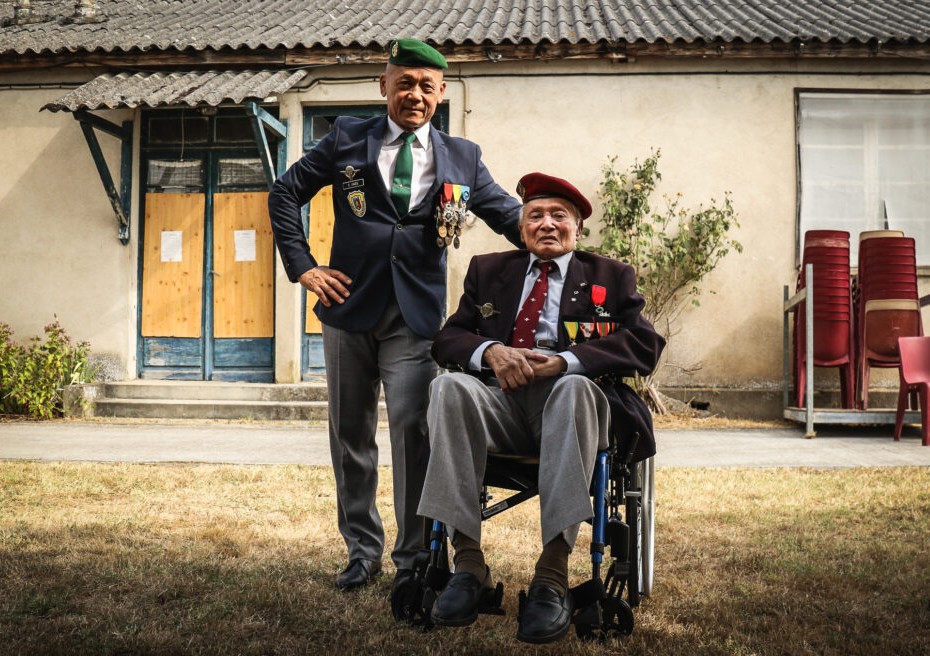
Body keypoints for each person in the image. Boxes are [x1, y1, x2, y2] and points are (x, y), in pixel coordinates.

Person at [267, 38, 523, 593]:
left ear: (441, 94)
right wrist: (305, 267)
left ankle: (411, 558)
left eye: (426, 86)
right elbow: (285, 194)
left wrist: (562, 239)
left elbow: (509, 216)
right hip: (347, 307)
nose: (414, 94)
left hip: (415, 318)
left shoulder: (464, 157)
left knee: (414, 431)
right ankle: (362, 551)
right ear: (383, 85)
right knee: (350, 433)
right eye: (404, 82)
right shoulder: (345, 138)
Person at [417, 172, 664, 643]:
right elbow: (448, 337)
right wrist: (490, 351)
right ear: (522, 225)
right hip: (501, 406)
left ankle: (552, 575)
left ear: (577, 228)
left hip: (572, 410)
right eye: (535, 216)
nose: (546, 224)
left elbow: (645, 343)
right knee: (448, 389)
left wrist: (567, 362)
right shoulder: (489, 270)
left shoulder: (610, 276)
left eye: (559, 216)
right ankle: (468, 567)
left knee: (573, 389)